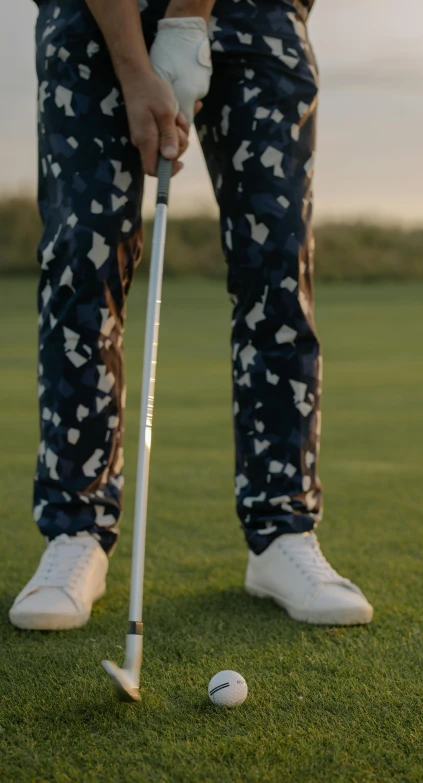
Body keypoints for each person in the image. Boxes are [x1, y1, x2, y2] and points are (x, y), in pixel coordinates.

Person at [9, 0, 373, 631]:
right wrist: (132, 59)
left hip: (256, 13)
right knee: (81, 254)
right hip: (92, 14)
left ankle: (280, 530)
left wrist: (186, 17)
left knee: (277, 261)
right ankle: (75, 533)